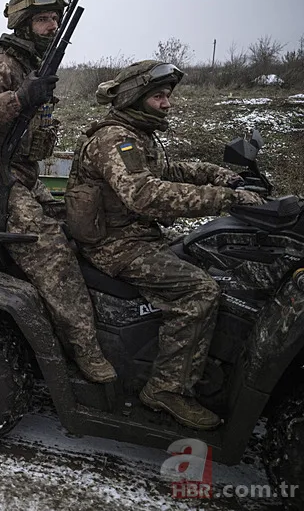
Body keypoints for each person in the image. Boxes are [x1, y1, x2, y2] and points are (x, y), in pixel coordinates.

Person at [64, 60, 264, 429]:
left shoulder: (139, 135)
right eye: (159, 96)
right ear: (137, 98)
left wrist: (218, 174)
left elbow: (164, 171)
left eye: (167, 96)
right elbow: (143, 194)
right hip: (115, 244)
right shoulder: (116, 139)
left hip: (138, 235)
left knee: (215, 261)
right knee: (199, 292)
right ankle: (165, 389)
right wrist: (224, 199)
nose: (167, 104)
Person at [0, 0, 116, 383]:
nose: (52, 26)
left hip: (20, 175)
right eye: (43, 19)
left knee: (81, 222)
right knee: (52, 251)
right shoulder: (4, 65)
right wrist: (20, 98)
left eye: (56, 19)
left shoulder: (32, 65)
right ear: (24, 24)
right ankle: (85, 351)